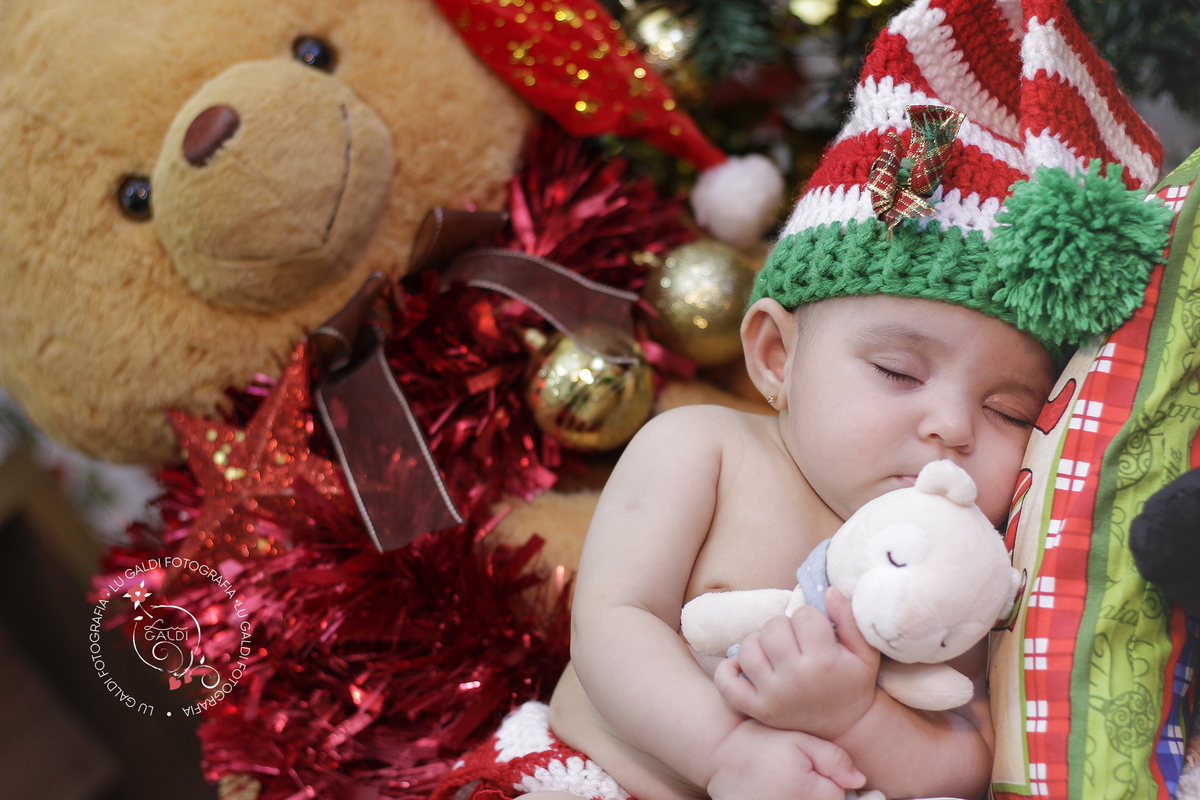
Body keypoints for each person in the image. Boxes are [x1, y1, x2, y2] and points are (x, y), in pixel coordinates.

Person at [430, 0, 1165, 797]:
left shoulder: (965, 557)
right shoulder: (704, 451)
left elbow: (966, 755)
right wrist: (724, 754)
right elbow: (611, 625)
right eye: (897, 371)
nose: (950, 426)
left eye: (1009, 411)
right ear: (777, 356)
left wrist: (857, 720)